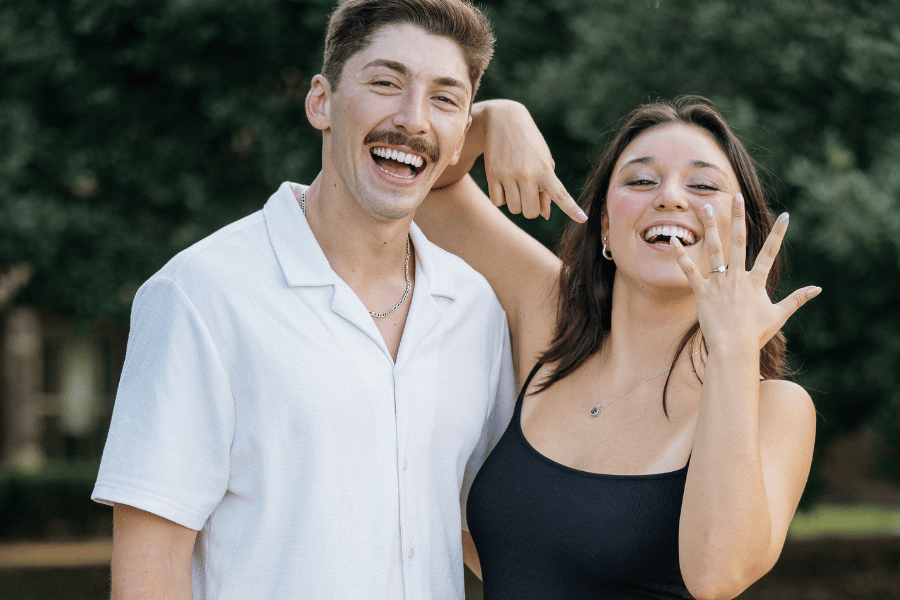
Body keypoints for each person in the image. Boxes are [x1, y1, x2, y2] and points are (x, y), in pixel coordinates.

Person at [91, 1, 522, 598]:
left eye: (444, 99)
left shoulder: (475, 309)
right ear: (320, 102)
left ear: (458, 142)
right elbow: (150, 570)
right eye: (385, 84)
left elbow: (485, 528)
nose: (412, 119)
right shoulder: (198, 295)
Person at [418, 97, 819, 599]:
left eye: (703, 185)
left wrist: (733, 348)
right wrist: (493, 120)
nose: (670, 197)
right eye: (641, 181)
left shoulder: (776, 408)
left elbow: (716, 575)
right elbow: (425, 188)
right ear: (605, 225)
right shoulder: (552, 323)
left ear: (743, 233)